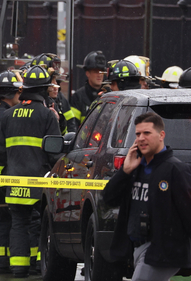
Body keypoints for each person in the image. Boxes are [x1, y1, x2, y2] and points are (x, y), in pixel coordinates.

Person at [102, 112, 191, 281]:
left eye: (147, 133)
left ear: (161, 135)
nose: (141, 138)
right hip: (135, 249)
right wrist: (125, 171)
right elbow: (108, 199)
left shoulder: (176, 170)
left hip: (162, 252)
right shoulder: (134, 169)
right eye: (138, 134)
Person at [0, 65, 62, 278]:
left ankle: (19, 268)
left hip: (13, 180)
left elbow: (0, 153)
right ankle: (37, 265)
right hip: (39, 182)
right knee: (39, 224)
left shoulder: (7, 115)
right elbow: (55, 151)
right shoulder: (48, 116)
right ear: (43, 90)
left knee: (19, 223)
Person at [0, 70, 22, 274]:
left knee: (2, 215)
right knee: (6, 217)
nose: (21, 97)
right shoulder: (5, 116)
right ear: (11, 94)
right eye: (19, 93)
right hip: (2, 174)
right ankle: (3, 261)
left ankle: (0, 259)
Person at [33, 53, 77, 133]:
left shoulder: (60, 101)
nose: (56, 85)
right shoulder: (31, 104)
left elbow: (70, 129)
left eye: (56, 80)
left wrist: (59, 121)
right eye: (52, 79)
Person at [70, 50, 106, 123]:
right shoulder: (78, 97)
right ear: (87, 73)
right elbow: (73, 125)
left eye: (101, 71)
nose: (99, 75)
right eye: (96, 71)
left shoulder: (108, 95)